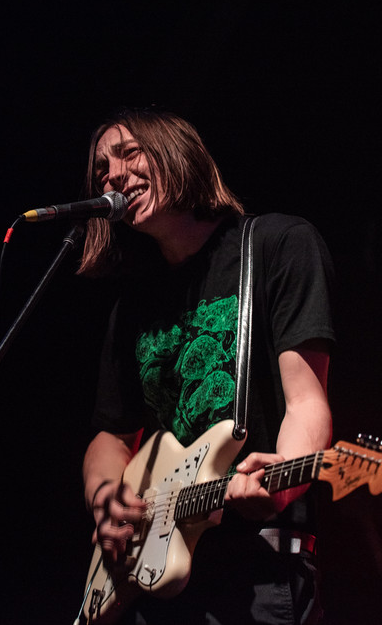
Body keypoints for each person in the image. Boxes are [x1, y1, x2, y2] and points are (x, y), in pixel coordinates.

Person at [79, 109, 335, 625]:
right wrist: (106, 498)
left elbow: (307, 401)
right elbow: (111, 434)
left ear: (176, 153)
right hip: (154, 571)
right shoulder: (134, 303)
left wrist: (281, 481)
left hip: (255, 569)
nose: (114, 176)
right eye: (102, 169)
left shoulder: (276, 246)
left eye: (129, 154)